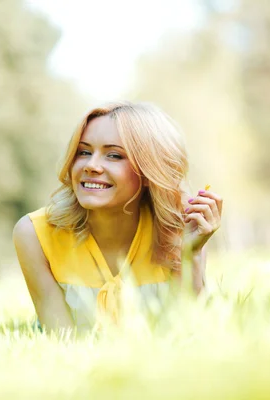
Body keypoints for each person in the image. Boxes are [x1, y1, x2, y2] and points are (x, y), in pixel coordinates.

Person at [12, 101, 223, 332]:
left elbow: (190, 331)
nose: (91, 165)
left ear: (148, 171)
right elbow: (61, 340)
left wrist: (189, 255)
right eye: (83, 152)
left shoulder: (180, 225)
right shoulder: (34, 234)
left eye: (113, 155)